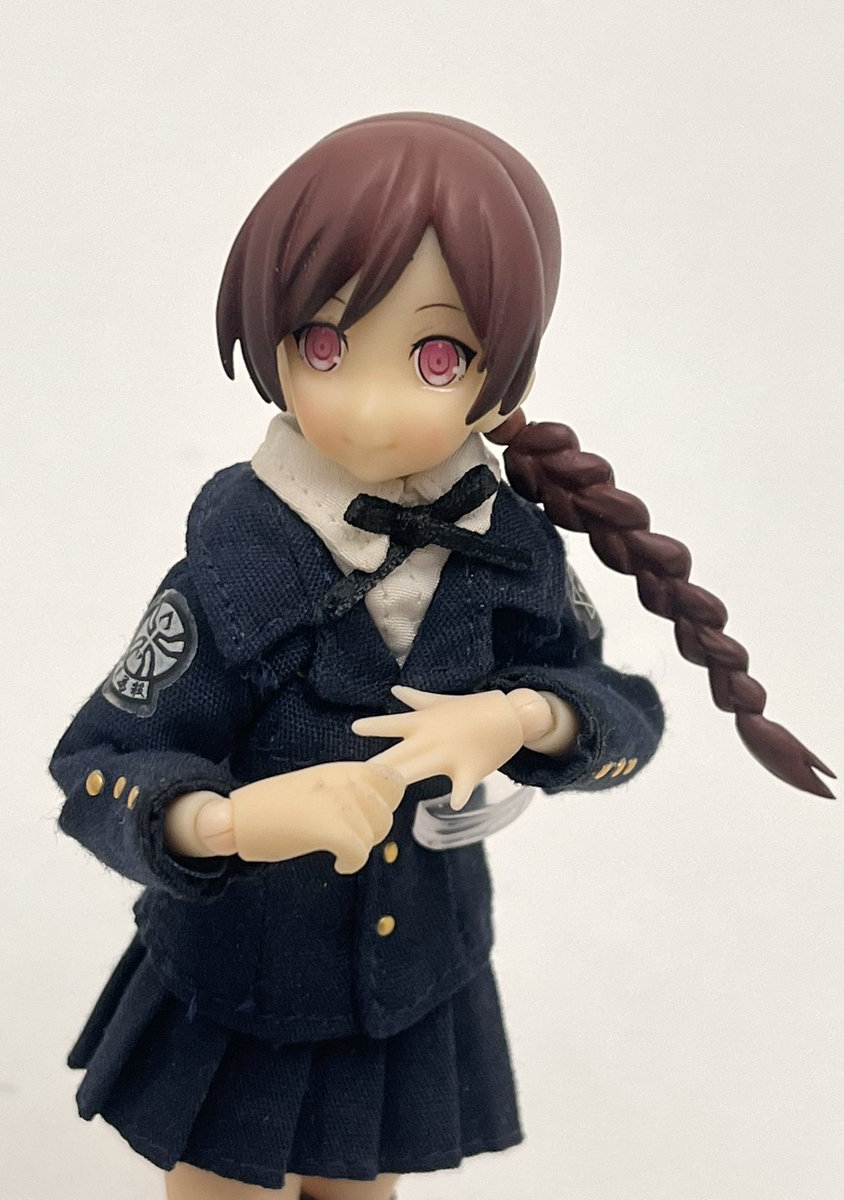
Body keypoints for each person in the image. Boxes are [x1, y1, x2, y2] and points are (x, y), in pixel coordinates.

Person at [50, 113, 831, 1200]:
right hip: (244, 978)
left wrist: (521, 718)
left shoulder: (510, 553)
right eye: (327, 346)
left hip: (411, 969)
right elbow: (99, 763)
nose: (370, 404)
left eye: (434, 357)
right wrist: (226, 822)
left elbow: (621, 707)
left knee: (363, 1186)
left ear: (498, 381)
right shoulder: (232, 568)